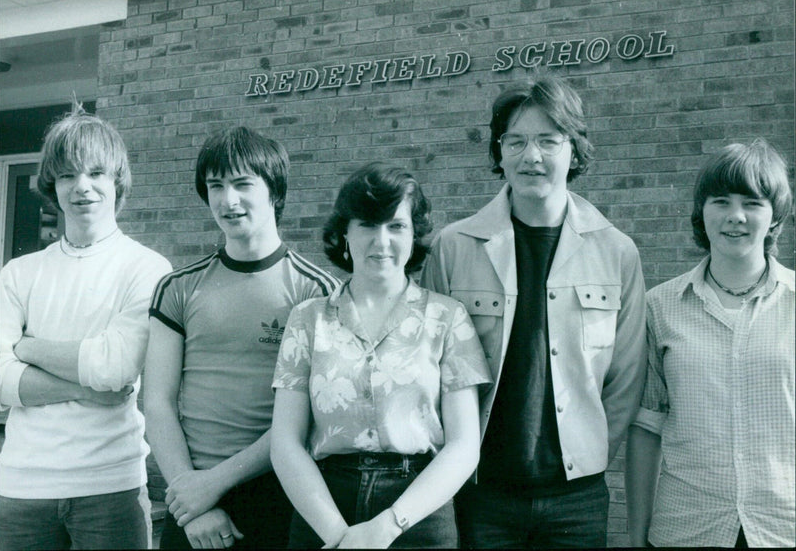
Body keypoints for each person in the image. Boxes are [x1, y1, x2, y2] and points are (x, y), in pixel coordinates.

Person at [420, 76, 647, 548]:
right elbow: (430, 373)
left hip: (577, 499)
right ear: (498, 153)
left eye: (548, 140)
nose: (532, 156)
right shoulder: (453, 248)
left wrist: (593, 451)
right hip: (481, 492)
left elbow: (626, 378)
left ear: (575, 151)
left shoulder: (616, 251)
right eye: (516, 141)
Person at [270, 162, 492, 549]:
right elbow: (285, 442)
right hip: (324, 504)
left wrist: (388, 526)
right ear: (344, 233)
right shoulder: (307, 319)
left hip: (418, 511)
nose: (382, 241)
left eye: (396, 226)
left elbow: (464, 446)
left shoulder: (447, 318)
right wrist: (340, 537)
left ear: (414, 234)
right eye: (368, 225)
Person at [143, 126, 339, 549]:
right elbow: (156, 402)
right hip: (189, 496)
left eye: (242, 184)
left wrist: (213, 484)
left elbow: (311, 416)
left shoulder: (316, 291)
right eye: (216, 186)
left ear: (274, 191)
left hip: (282, 495)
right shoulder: (177, 287)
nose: (227, 200)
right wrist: (191, 496)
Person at [0, 104, 172, 550]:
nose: (83, 187)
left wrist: (28, 349)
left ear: (118, 182)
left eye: (97, 173)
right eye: (68, 175)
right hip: (21, 488)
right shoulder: (19, 273)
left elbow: (112, 369)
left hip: (110, 486)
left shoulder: (147, 268)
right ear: (52, 185)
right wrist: (85, 388)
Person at [626, 139, 795, 548]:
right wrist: (635, 537)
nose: (735, 216)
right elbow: (646, 430)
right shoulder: (658, 308)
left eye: (752, 203)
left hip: (783, 527)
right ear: (702, 212)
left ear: (774, 217)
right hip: (688, 527)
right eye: (721, 201)